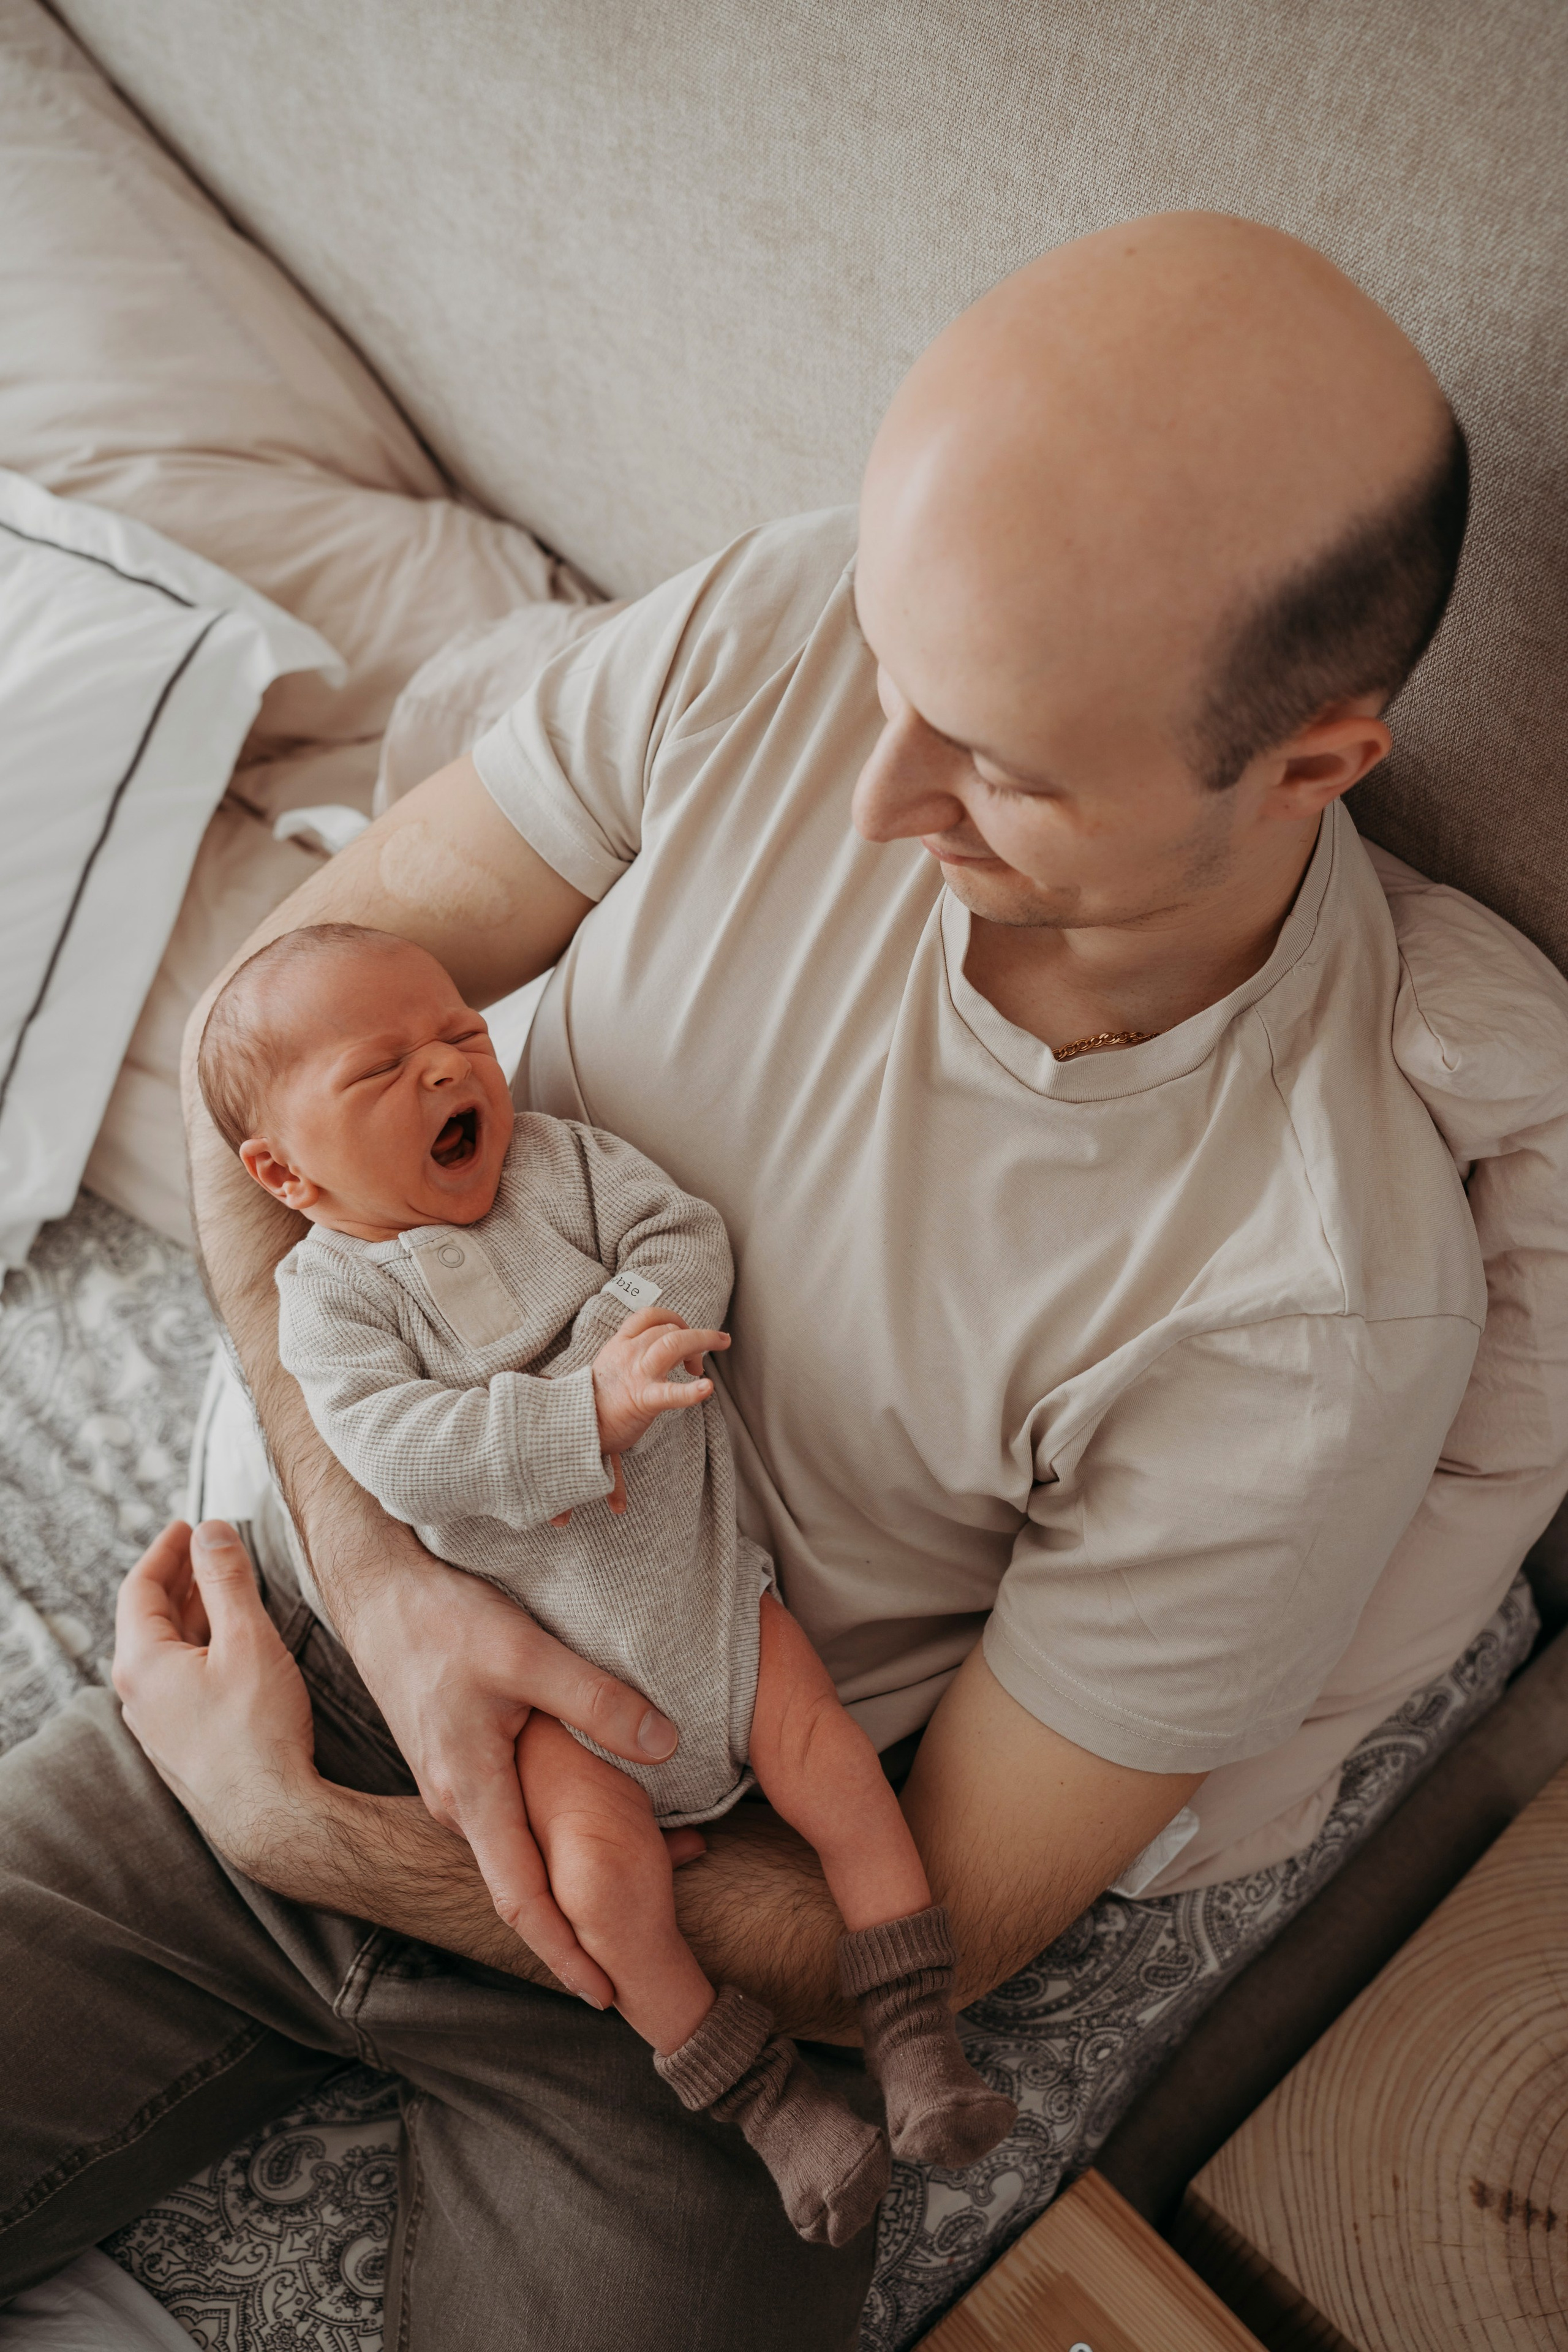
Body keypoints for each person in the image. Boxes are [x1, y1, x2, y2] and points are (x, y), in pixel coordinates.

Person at [1, 213, 1482, 2350]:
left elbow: (942, 1924)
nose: (871, 796)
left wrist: (320, 1836)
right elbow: (271, 1053)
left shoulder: (1307, 1307)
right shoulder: (789, 620)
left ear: (1313, 766)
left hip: (689, 1958)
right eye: (894, 666)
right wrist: (382, 1600)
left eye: (1000, 765)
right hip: (290, 1651)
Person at [195, 918, 1014, 2239]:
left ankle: (920, 2043)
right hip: (557, 1698)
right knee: (601, 1895)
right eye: (381, 1068)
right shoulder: (330, 1303)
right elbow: (403, 1457)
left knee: (840, 1775)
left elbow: (686, 1240)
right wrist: (587, 1408)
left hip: (711, 1604)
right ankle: (768, 2105)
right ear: (284, 1171)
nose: (446, 1069)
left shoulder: (562, 1164)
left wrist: (622, 1339)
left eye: (462, 1034)